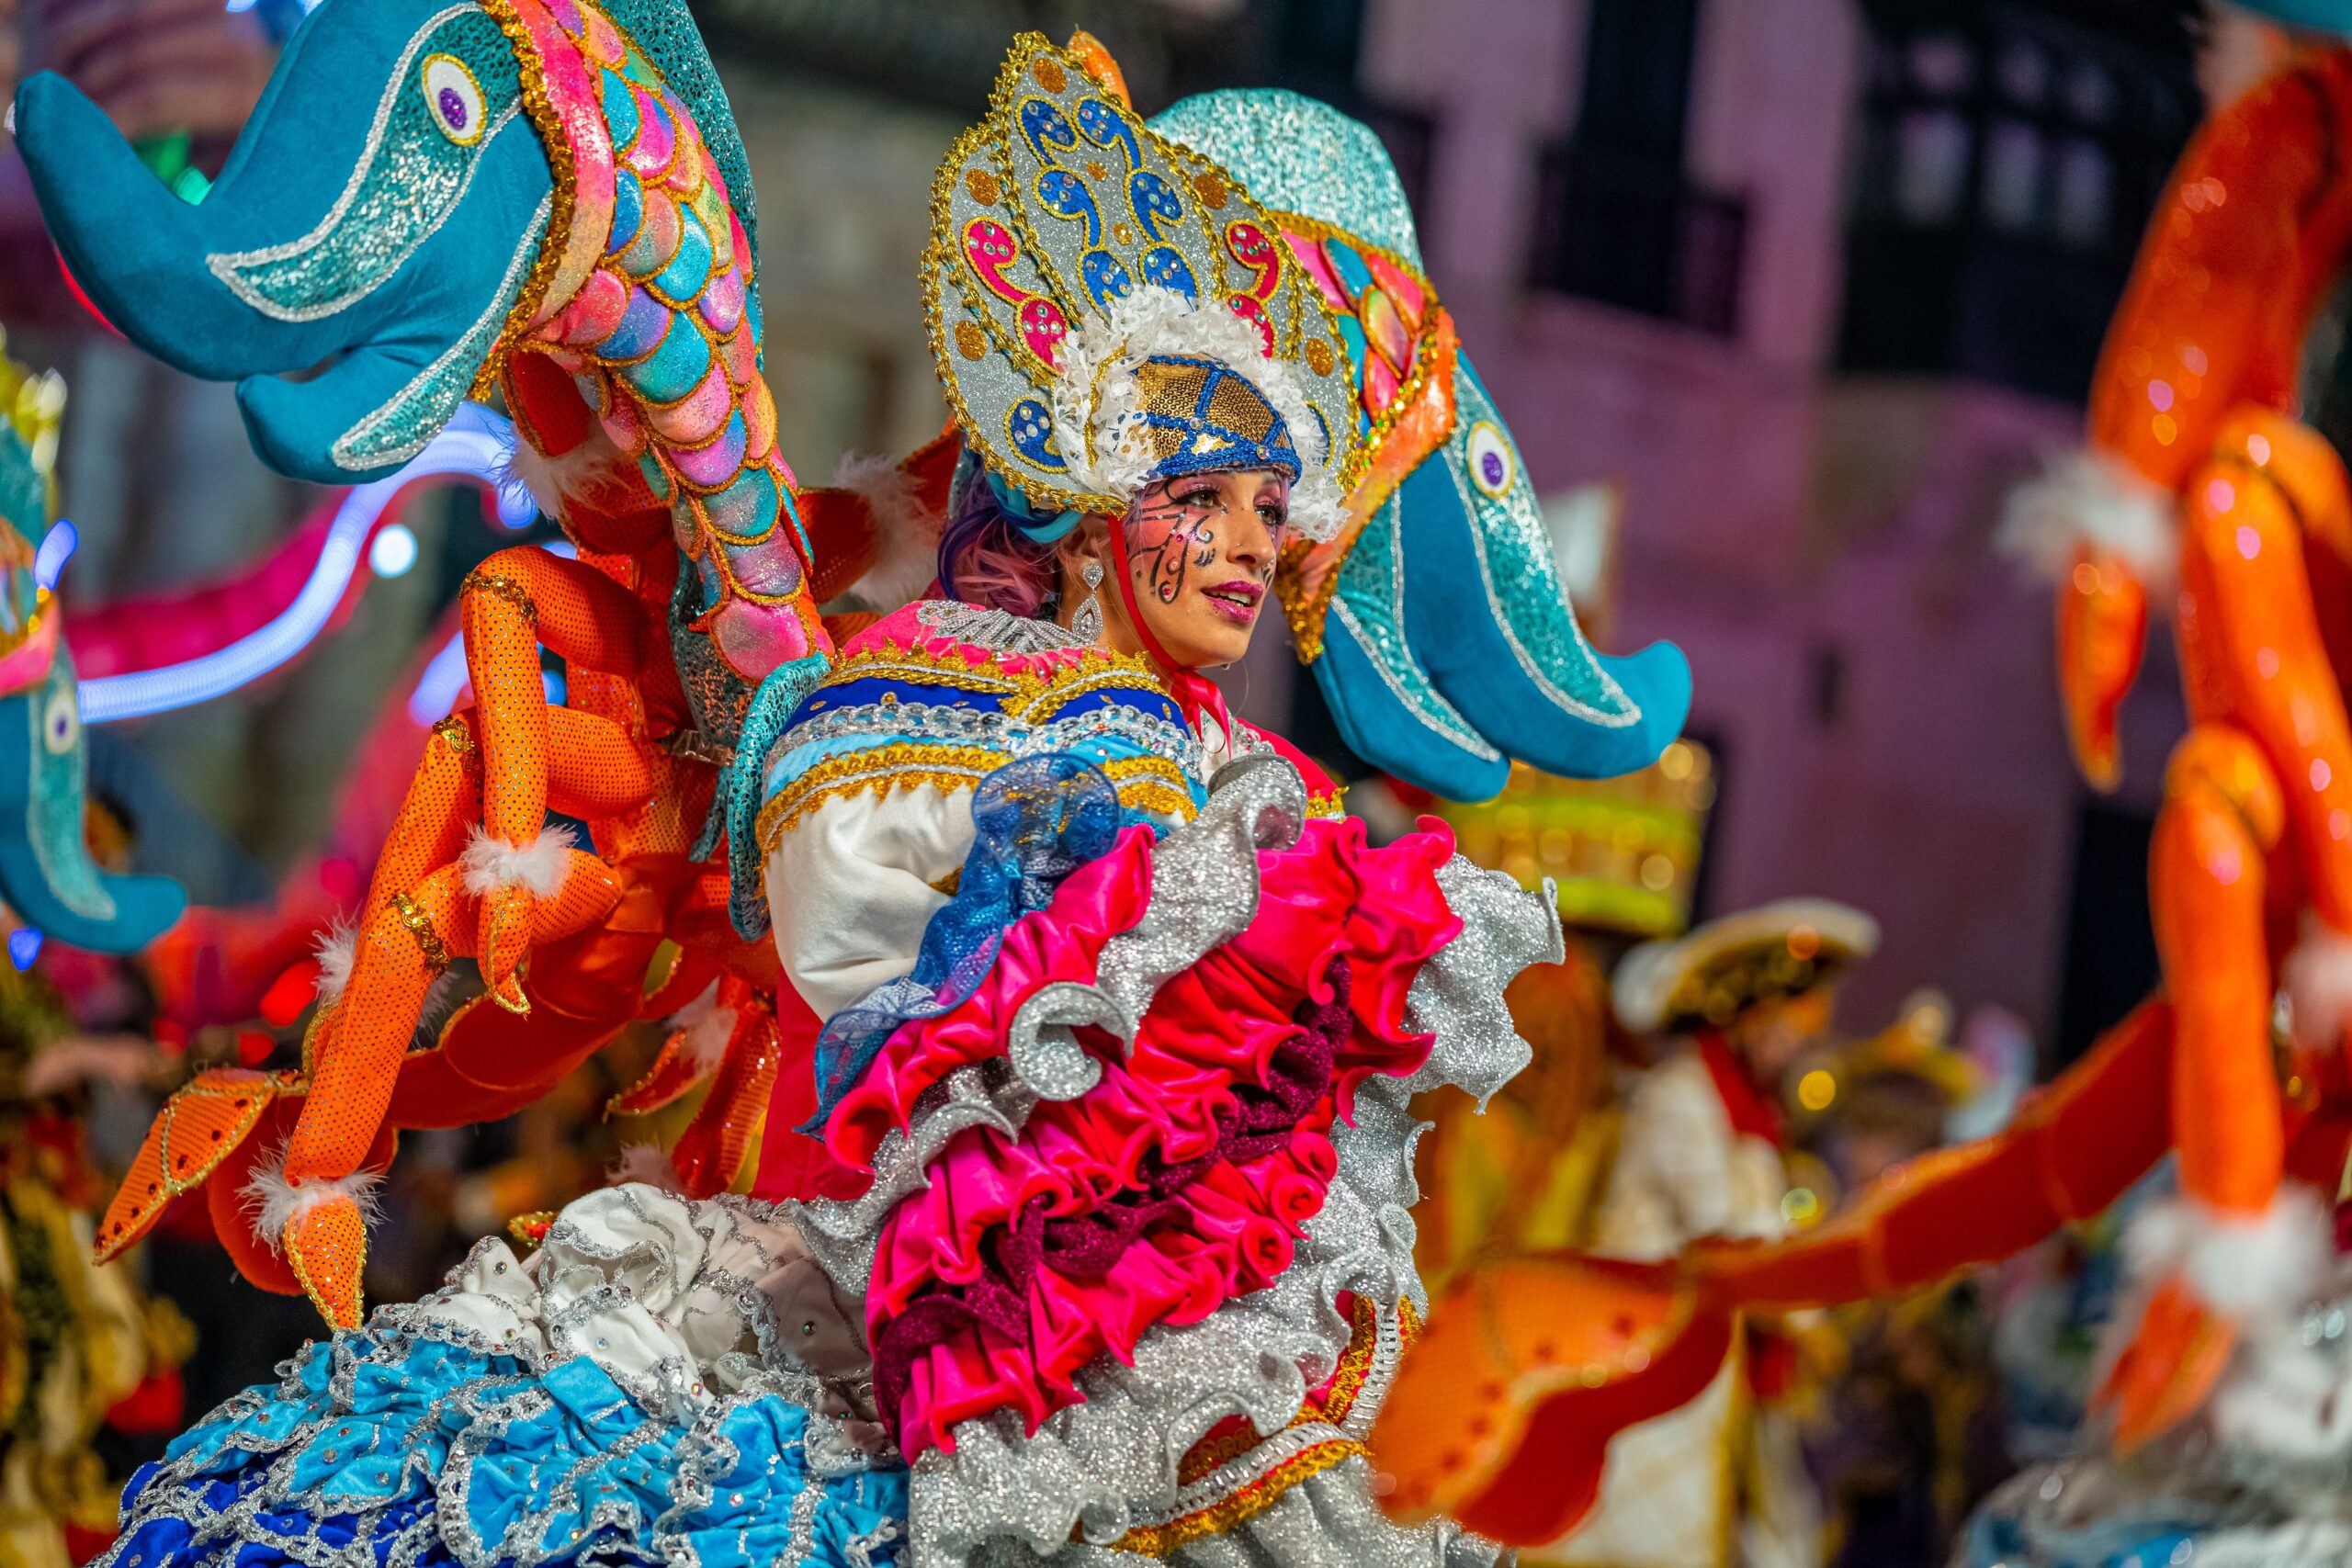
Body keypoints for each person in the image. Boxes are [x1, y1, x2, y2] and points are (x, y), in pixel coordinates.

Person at [87, 31, 1567, 1568]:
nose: (1255, 545)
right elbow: (909, 1025)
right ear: (1088, 516)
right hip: (857, 1369)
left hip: (1109, 1393)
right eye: (1203, 499)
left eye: (1272, 507)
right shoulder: (928, 708)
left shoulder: (1235, 774)